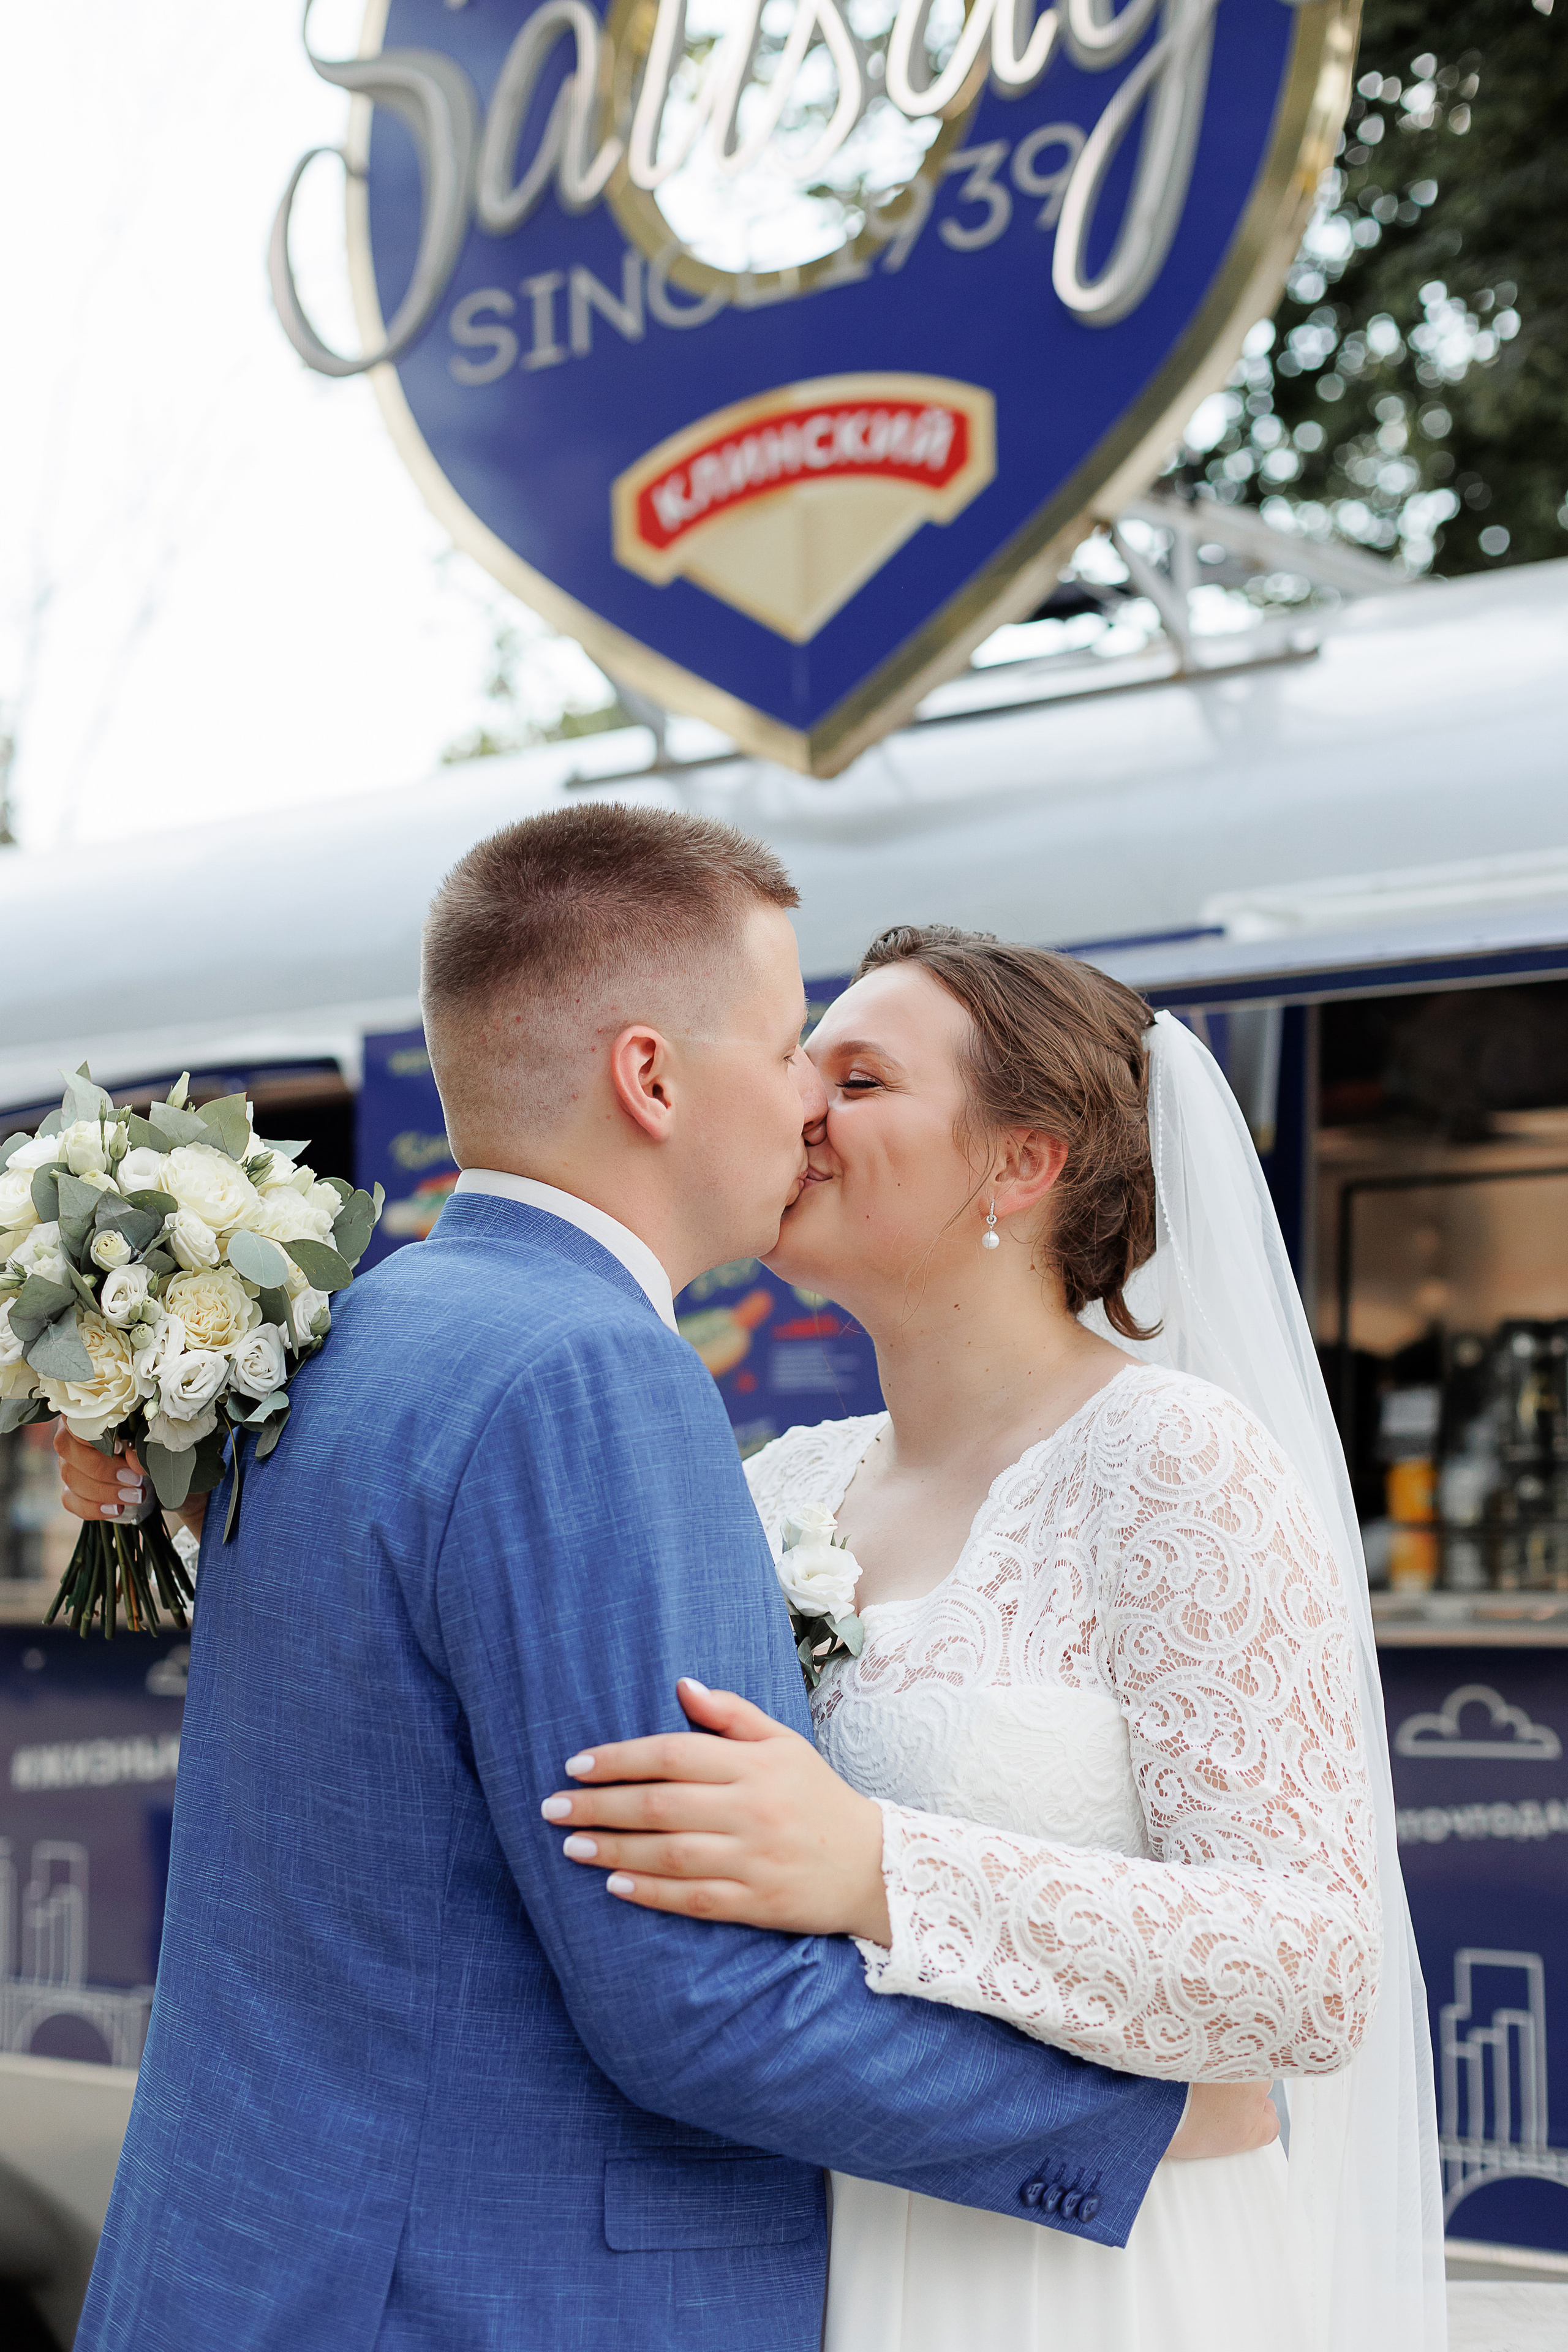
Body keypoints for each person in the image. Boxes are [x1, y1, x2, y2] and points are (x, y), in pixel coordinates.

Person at [59, 813, 1271, 2352]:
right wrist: (1142, 2129)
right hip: (480, 2290)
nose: (809, 1111)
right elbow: (696, 2006)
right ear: (650, 1077)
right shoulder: (588, 1376)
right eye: (786, 1052)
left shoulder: (356, 1333)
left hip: (259, 2259)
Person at [540, 928, 1447, 2352]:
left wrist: (873, 1867)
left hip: (1095, 2278)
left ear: (1020, 1165)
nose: (798, 1108)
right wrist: (181, 1490)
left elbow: (1311, 1967)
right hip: (813, 2249)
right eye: (798, 1067)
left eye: (860, 1076)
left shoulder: (1170, 1460)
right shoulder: (781, 1481)